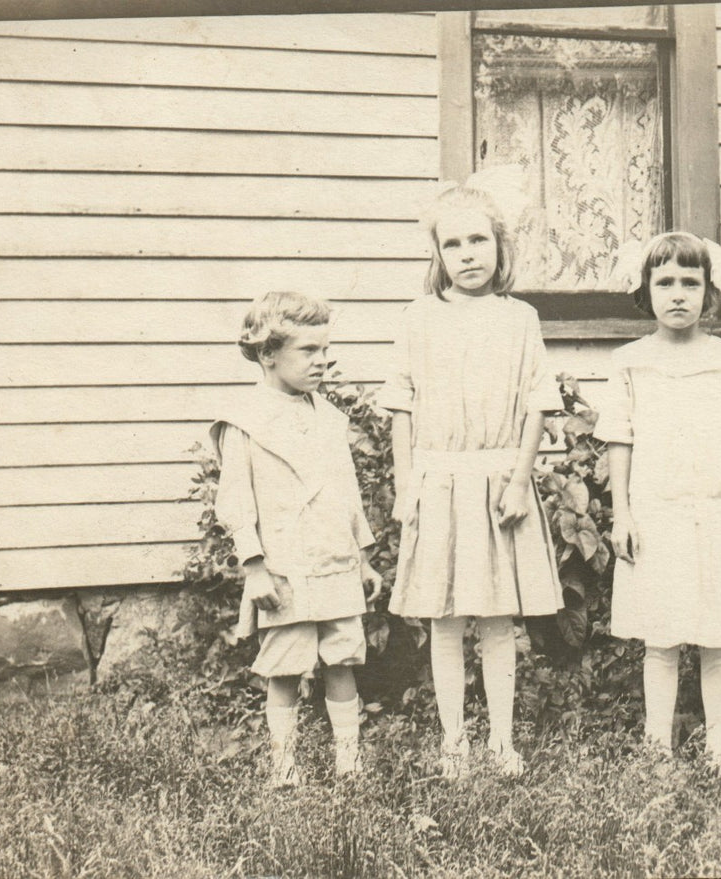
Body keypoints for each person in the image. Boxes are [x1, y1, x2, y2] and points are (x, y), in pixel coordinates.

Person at [375, 184, 564, 779]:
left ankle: (502, 742)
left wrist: (519, 480)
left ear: (500, 245)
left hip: (499, 480)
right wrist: (406, 484)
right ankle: (454, 741)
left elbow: (537, 402)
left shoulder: (519, 319)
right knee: (446, 618)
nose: (467, 254)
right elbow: (401, 404)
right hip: (438, 480)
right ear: (437, 254)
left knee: (498, 618)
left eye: (478, 239)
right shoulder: (419, 318)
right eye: (452, 244)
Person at [595, 232, 721, 766]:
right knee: (661, 637)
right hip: (658, 515)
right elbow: (619, 440)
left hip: (718, 514)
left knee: (719, 637)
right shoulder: (630, 362)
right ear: (645, 290)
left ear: (709, 291)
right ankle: (658, 748)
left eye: (690, 283)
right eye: (665, 282)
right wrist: (623, 514)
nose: (678, 294)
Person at [209, 291, 383, 787]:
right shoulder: (246, 422)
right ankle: (284, 766)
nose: (321, 361)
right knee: (285, 665)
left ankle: (349, 761)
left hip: (334, 559)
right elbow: (236, 502)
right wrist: (254, 568)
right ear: (268, 354)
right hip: (283, 566)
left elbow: (347, 492)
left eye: (325, 349)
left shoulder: (327, 417)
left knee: (342, 657)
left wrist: (364, 558)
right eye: (308, 351)